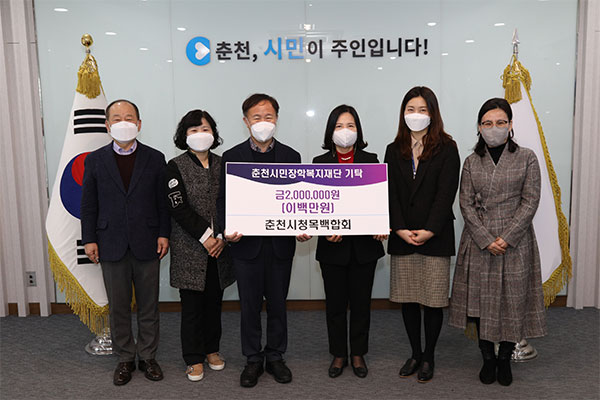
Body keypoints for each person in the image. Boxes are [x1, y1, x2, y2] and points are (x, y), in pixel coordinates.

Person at [449, 97, 546, 386]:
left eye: (501, 122)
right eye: (488, 123)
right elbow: (465, 204)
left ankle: (504, 358)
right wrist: (485, 238)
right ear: (479, 127)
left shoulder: (527, 157)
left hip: (515, 242)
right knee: (480, 303)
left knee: (511, 303)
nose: (494, 128)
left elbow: (530, 200)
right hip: (479, 241)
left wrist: (507, 237)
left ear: (510, 125)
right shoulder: (471, 161)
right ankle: (487, 359)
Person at [216, 93, 306, 388]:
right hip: (246, 247)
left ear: (277, 119)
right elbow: (223, 200)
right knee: (249, 306)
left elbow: (299, 200)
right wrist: (226, 229)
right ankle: (253, 358)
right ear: (246, 121)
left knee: (278, 304)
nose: (263, 122)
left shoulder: (291, 157)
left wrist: (303, 224)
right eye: (257, 117)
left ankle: (276, 356)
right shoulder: (232, 157)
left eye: (269, 117)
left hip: (280, 246)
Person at [81, 99, 170, 386]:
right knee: (118, 306)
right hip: (110, 242)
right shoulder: (95, 160)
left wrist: (164, 233)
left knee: (148, 305)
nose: (124, 123)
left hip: (148, 240)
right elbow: (89, 204)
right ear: (107, 125)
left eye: (129, 118)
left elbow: (162, 202)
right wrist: (89, 239)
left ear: (139, 124)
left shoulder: (155, 158)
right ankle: (125, 358)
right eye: (117, 118)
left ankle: (148, 356)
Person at [384, 86, 460, 383]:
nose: (416, 115)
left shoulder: (447, 148)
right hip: (403, 235)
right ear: (403, 113)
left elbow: (446, 192)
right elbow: (390, 193)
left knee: (433, 300)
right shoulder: (394, 149)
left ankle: (429, 356)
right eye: (410, 109)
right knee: (408, 299)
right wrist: (399, 228)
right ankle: (415, 353)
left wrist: (429, 230)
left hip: (435, 236)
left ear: (433, 113)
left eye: (422, 110)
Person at [312, 105, 386, 379]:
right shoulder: (319, 164)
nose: (345, 131)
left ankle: (358, 353)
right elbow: (314, 206)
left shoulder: (371, 161)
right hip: (332, 249)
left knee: (361, 304)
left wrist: (380, 224)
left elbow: (381, 201)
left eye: (351, 125)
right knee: (334, 305)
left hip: (364, 249)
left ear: (359, 130)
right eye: (339, 126)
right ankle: (338, 353)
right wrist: (323, 229)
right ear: (330, 132)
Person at [165, 109, 235, 381]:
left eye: (205, 129)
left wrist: (222, 237)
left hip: (221, 247)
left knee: (214, 304)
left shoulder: (224, 164)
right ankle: (193, 358)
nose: (200, 134)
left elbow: (234, 202)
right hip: (190, 247)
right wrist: (206, 236)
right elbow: (178, 207)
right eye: (193, 130)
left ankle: (212, 350)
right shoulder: (175, 166)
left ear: (213, 134)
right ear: (184, 135)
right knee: (192, 307)